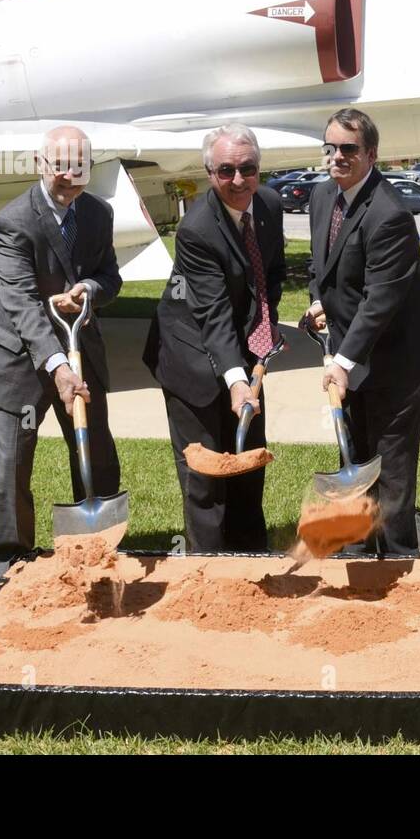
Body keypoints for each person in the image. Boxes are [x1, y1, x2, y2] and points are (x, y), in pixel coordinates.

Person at [0, 125, 122, 581]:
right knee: (13, 466)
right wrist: (56, 365)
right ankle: (8, 562)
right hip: (17, 358)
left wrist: (89, 289)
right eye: (60, 168)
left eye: (79, 170)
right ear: (40, 163)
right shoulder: (12, 221)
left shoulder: (97, 213)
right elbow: (18, 301)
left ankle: (101, 545)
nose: (69, 179)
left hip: (80, 348)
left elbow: (109, 275)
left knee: (96, 449)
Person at [143, 122, 284, 551]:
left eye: (247, 168)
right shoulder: (197, 230)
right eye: (226, 171)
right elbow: (213, 312)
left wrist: (267, 325)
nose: (238, 180)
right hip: (191, 357)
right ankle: (208, 569)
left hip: (240, 352)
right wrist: (236, 379)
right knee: (205, 477)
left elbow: (270, 276)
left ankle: (249, 561)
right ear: (210, 174)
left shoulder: (270, 205)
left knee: (246, 464)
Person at [302, 109, 420, 554]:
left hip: (394, 359)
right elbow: (324, 267)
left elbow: (380, 301)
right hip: (351, 352)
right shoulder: (323, 197)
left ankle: (396, 558)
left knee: (391, 464)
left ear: (371, 154)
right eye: (331, 148)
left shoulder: (389, 214)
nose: (337, 157)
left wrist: (341, 361)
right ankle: (359, 549)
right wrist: (319, 300)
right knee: (354, 454)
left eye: (349, 149)